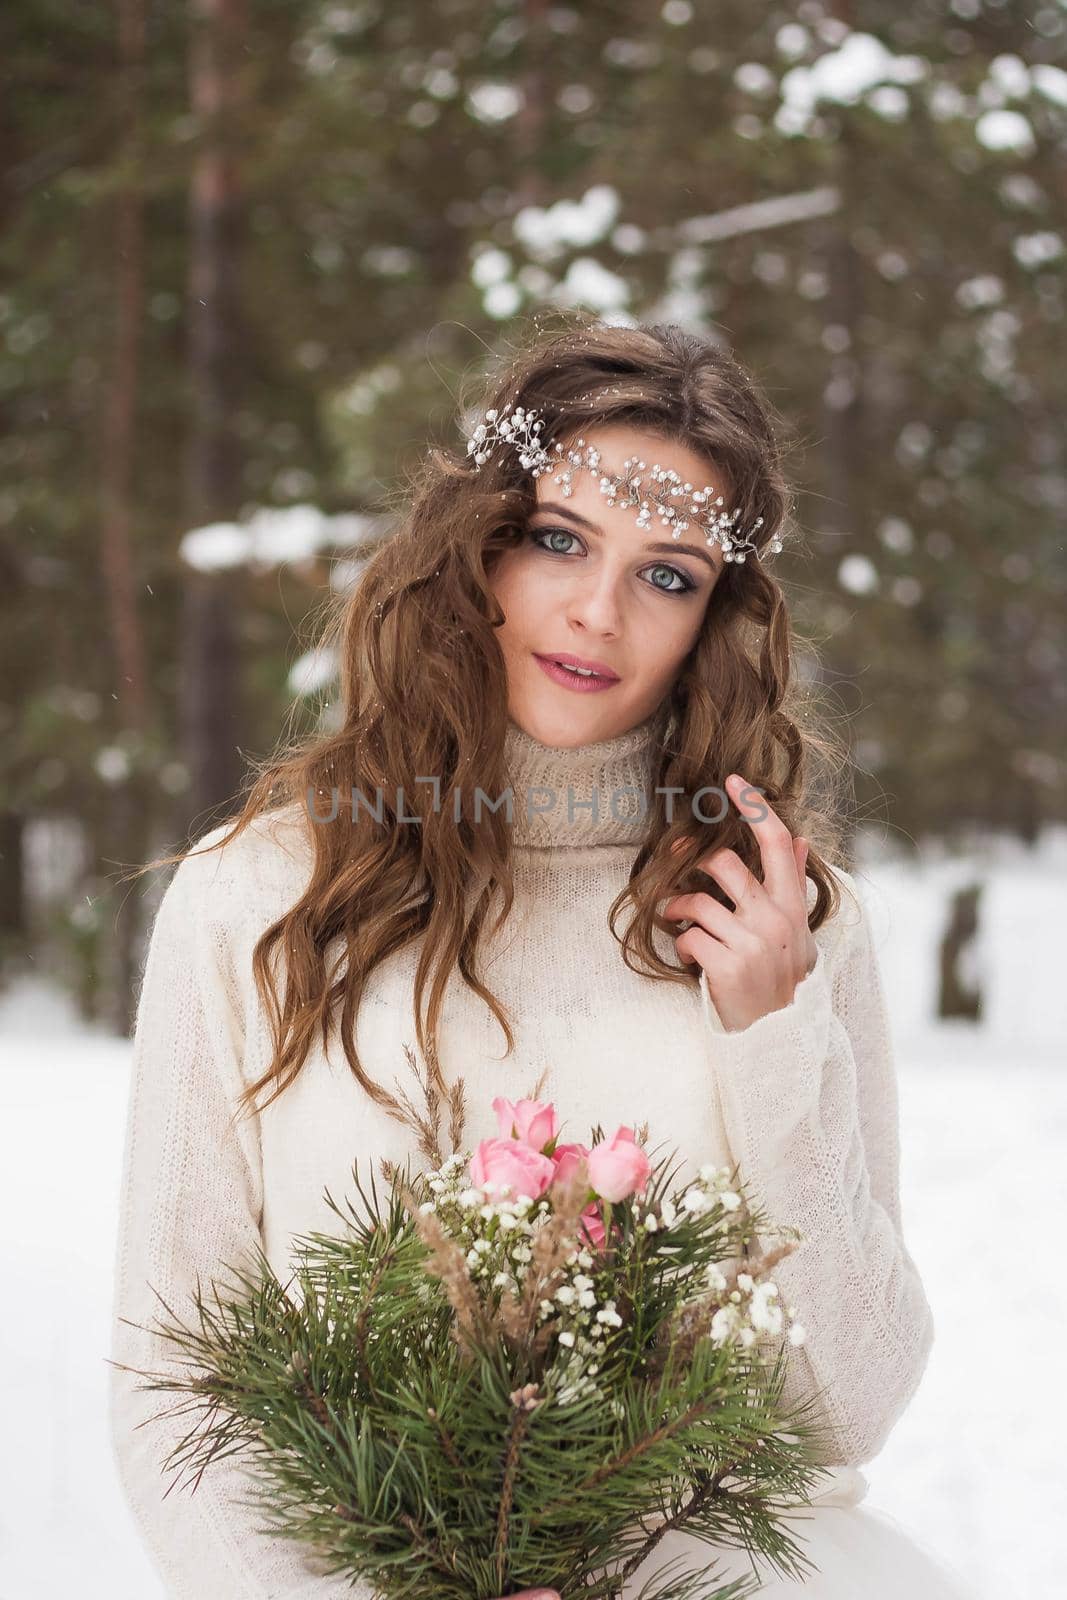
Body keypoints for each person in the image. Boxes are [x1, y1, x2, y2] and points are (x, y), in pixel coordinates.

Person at [108, 314, 975, 1598]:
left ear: (713, 619)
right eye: (560, 539)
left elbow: (843, 1409)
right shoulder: (258, 896)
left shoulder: (777, 918)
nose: (595, 610)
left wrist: (771, 1035)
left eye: (667, 574)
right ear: (478, 544)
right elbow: (176, 1386)